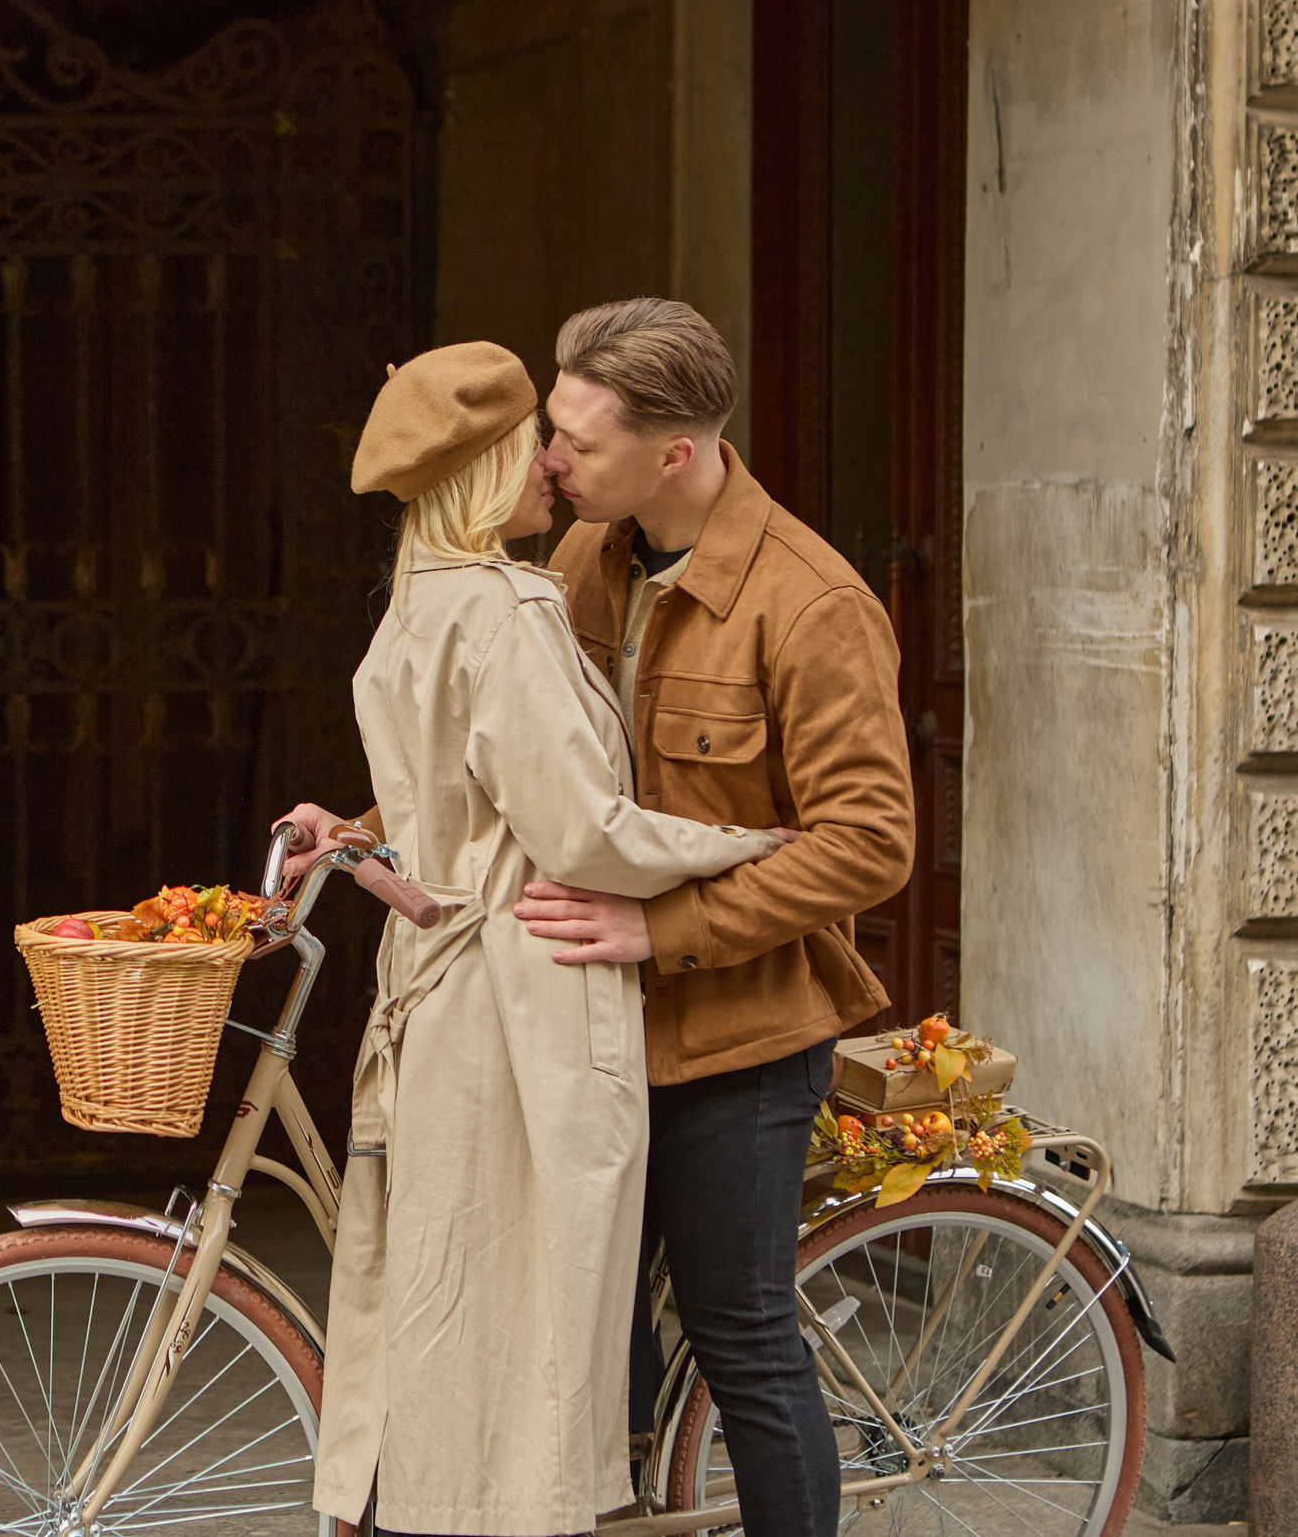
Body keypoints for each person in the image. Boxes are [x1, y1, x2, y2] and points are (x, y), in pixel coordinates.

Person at [289, 300, 913, 1537]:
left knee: (742, 1340)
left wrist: (662, 931)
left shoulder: (808, 603)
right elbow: (514, 766)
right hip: (580, 1028)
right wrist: (373, 828)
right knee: (587, 1351)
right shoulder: (578, 559)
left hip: (731, 1030)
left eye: (572, 440)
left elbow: (868, 844)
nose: (547, 461)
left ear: (671, 453)